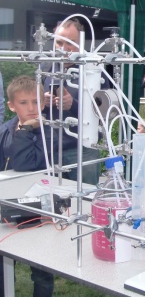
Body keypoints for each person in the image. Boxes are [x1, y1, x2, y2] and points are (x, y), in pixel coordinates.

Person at [0, 76, 57, 297]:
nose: (31, 108)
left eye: (35, 102)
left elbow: (25, 164)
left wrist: (24, 131)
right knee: (5, 261)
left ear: (43, 104)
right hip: (9, 201)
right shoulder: (6, 129)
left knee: (41, 268)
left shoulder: (50, 131)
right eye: (23, 103)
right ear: (12, 106)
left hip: (38, 204)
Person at [43, 18, 108, 185]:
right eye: (59, 42)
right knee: (54, 202)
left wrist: (74, 105)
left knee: (84, 199)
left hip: (83, 149)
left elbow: (104, 112)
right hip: (52, 148)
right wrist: (43, 102)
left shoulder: (94, 68)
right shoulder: (48, 67)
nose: (63, 49)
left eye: (70, 43)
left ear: (81, 43)